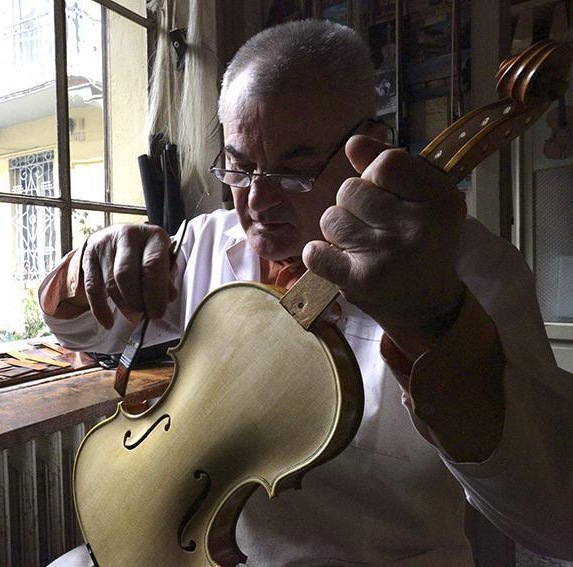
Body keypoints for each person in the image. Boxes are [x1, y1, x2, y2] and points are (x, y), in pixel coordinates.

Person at [41, 19, 573, 566]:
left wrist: (437, 323)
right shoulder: (208, 239)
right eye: (240, 167)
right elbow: (77, 327)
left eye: (295, 167)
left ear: (370, 147)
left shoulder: (472, 273)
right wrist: (93, 262)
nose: (257, 200)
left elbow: (557, 522)